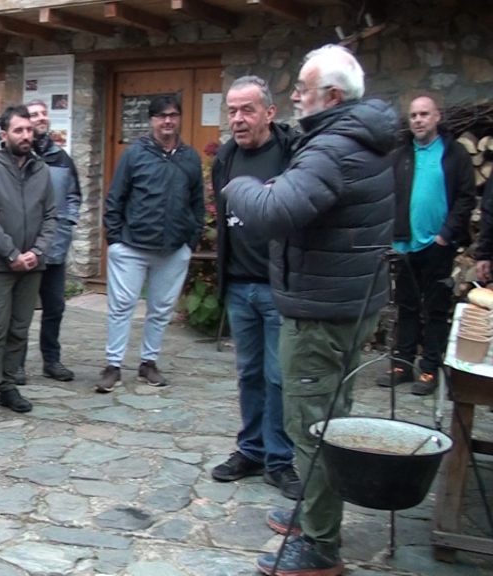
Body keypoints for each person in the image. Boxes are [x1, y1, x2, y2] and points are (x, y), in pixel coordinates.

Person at [222, 45, 397, 575]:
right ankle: (313, 512)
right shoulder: (360, 139)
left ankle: (320, 546)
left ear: (333, 96)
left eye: (303, 87)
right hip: (345, 301)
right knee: (329, 416)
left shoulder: (333, 148)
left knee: (313, 425)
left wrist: (241, 186)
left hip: (322, 309)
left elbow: (274, 212)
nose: (296, 95)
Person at [207, 77, 301, 500]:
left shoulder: (292, 152)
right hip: (240, 285)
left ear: (269, 112)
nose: (238, 119)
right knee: (249, 374)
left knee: (278, 377)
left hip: (279, 286)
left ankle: (280, 460)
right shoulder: (225, 157)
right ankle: (251, 450)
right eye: (232, 111)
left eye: (247, 110)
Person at [98, 94, 204, 393]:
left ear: (179, 118)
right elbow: (115, 198)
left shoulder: (190, 158)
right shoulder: (134, 154)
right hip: (131, 247)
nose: (167, 121)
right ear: (152, 120)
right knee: (121, 307)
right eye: (161, 116)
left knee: (161, 309)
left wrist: (190, 241)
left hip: (173, 250)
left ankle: (149, 363)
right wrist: (115, 240)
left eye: (173, 115)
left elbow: (197, 202)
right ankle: (113, 365)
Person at [0, 105, 56, 425]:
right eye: (18, 130)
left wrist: (37, 251)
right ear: (4, 134)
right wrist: (11, 253)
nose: (25, 136)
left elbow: (51, 215)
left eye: (29, 130)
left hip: (32, 265)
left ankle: (8, 385)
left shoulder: (41, 169)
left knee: (19, 329)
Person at [388, 95, 475, 396]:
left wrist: (445, 235)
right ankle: (402, 364)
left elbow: (466, 197)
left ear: (437, 117)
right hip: (404, 245)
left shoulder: (454, 154)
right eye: (413, 115)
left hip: (438, 245)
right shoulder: (401, 155)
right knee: (406, 306)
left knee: (435, 309)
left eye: (424, 114)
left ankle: (429, 368)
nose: (418, 120)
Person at [26, 99, 82, 382]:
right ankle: (14, 363)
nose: (40, 118)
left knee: (54, 307)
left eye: (43, 114)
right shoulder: (16, 156)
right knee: (21, 309)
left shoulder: (61, 159)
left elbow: (74, 196)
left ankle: (51, 360)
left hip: (54, 246)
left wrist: (67, 224)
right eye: (34, 114)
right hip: (23, 247)